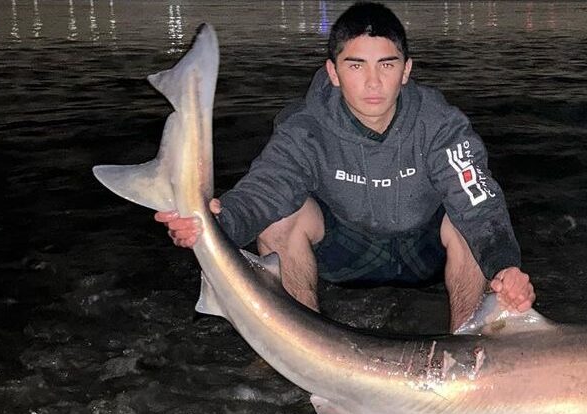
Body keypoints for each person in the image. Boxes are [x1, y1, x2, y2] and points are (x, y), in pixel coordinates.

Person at [155, 2, 534, 331]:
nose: (373, 82)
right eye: (356, 66)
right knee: (281, 218)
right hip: (345, 251)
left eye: (387, 65)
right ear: (333, 73)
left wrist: (506, 268)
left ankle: (470, 353)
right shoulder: (306, 128)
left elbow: (480, 205)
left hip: (424, 248)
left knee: (465, 221)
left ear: (406, 70)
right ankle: (296, 347)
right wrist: (216, 225)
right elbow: (264, 192)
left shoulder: (440, 125)